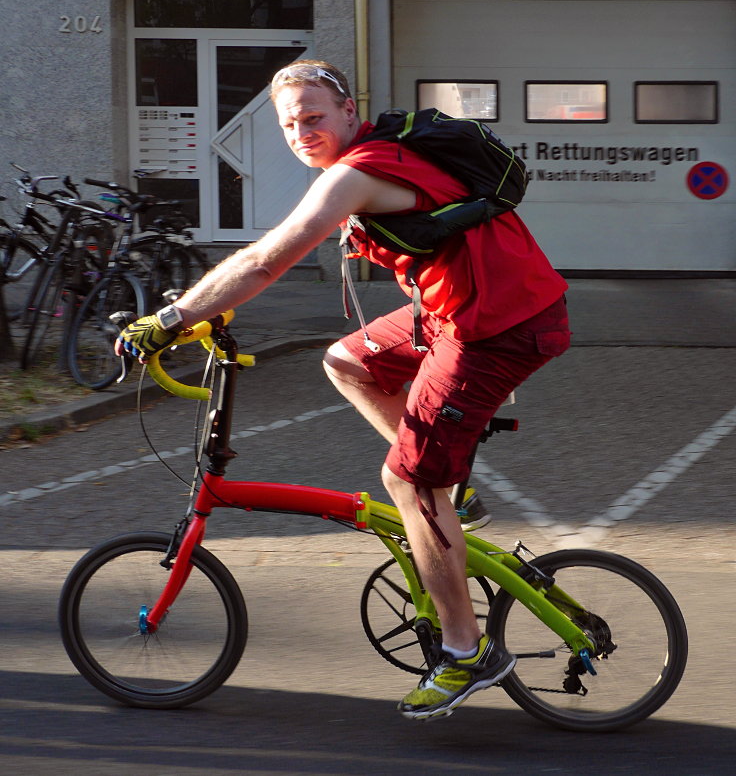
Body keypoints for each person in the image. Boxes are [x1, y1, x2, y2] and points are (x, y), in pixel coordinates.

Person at [116, 60, 571, 720]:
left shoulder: (359, 171)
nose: (301, 131)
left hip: (498, 325)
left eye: (314, 117)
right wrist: (207, 310)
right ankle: (453, 492)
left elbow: (267, 259)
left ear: (349, 111)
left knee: (408, 482)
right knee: (347, 360)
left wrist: (170, 319)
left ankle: (468, 652)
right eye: (289, 124)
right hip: (461, 310)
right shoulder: (373, 158)